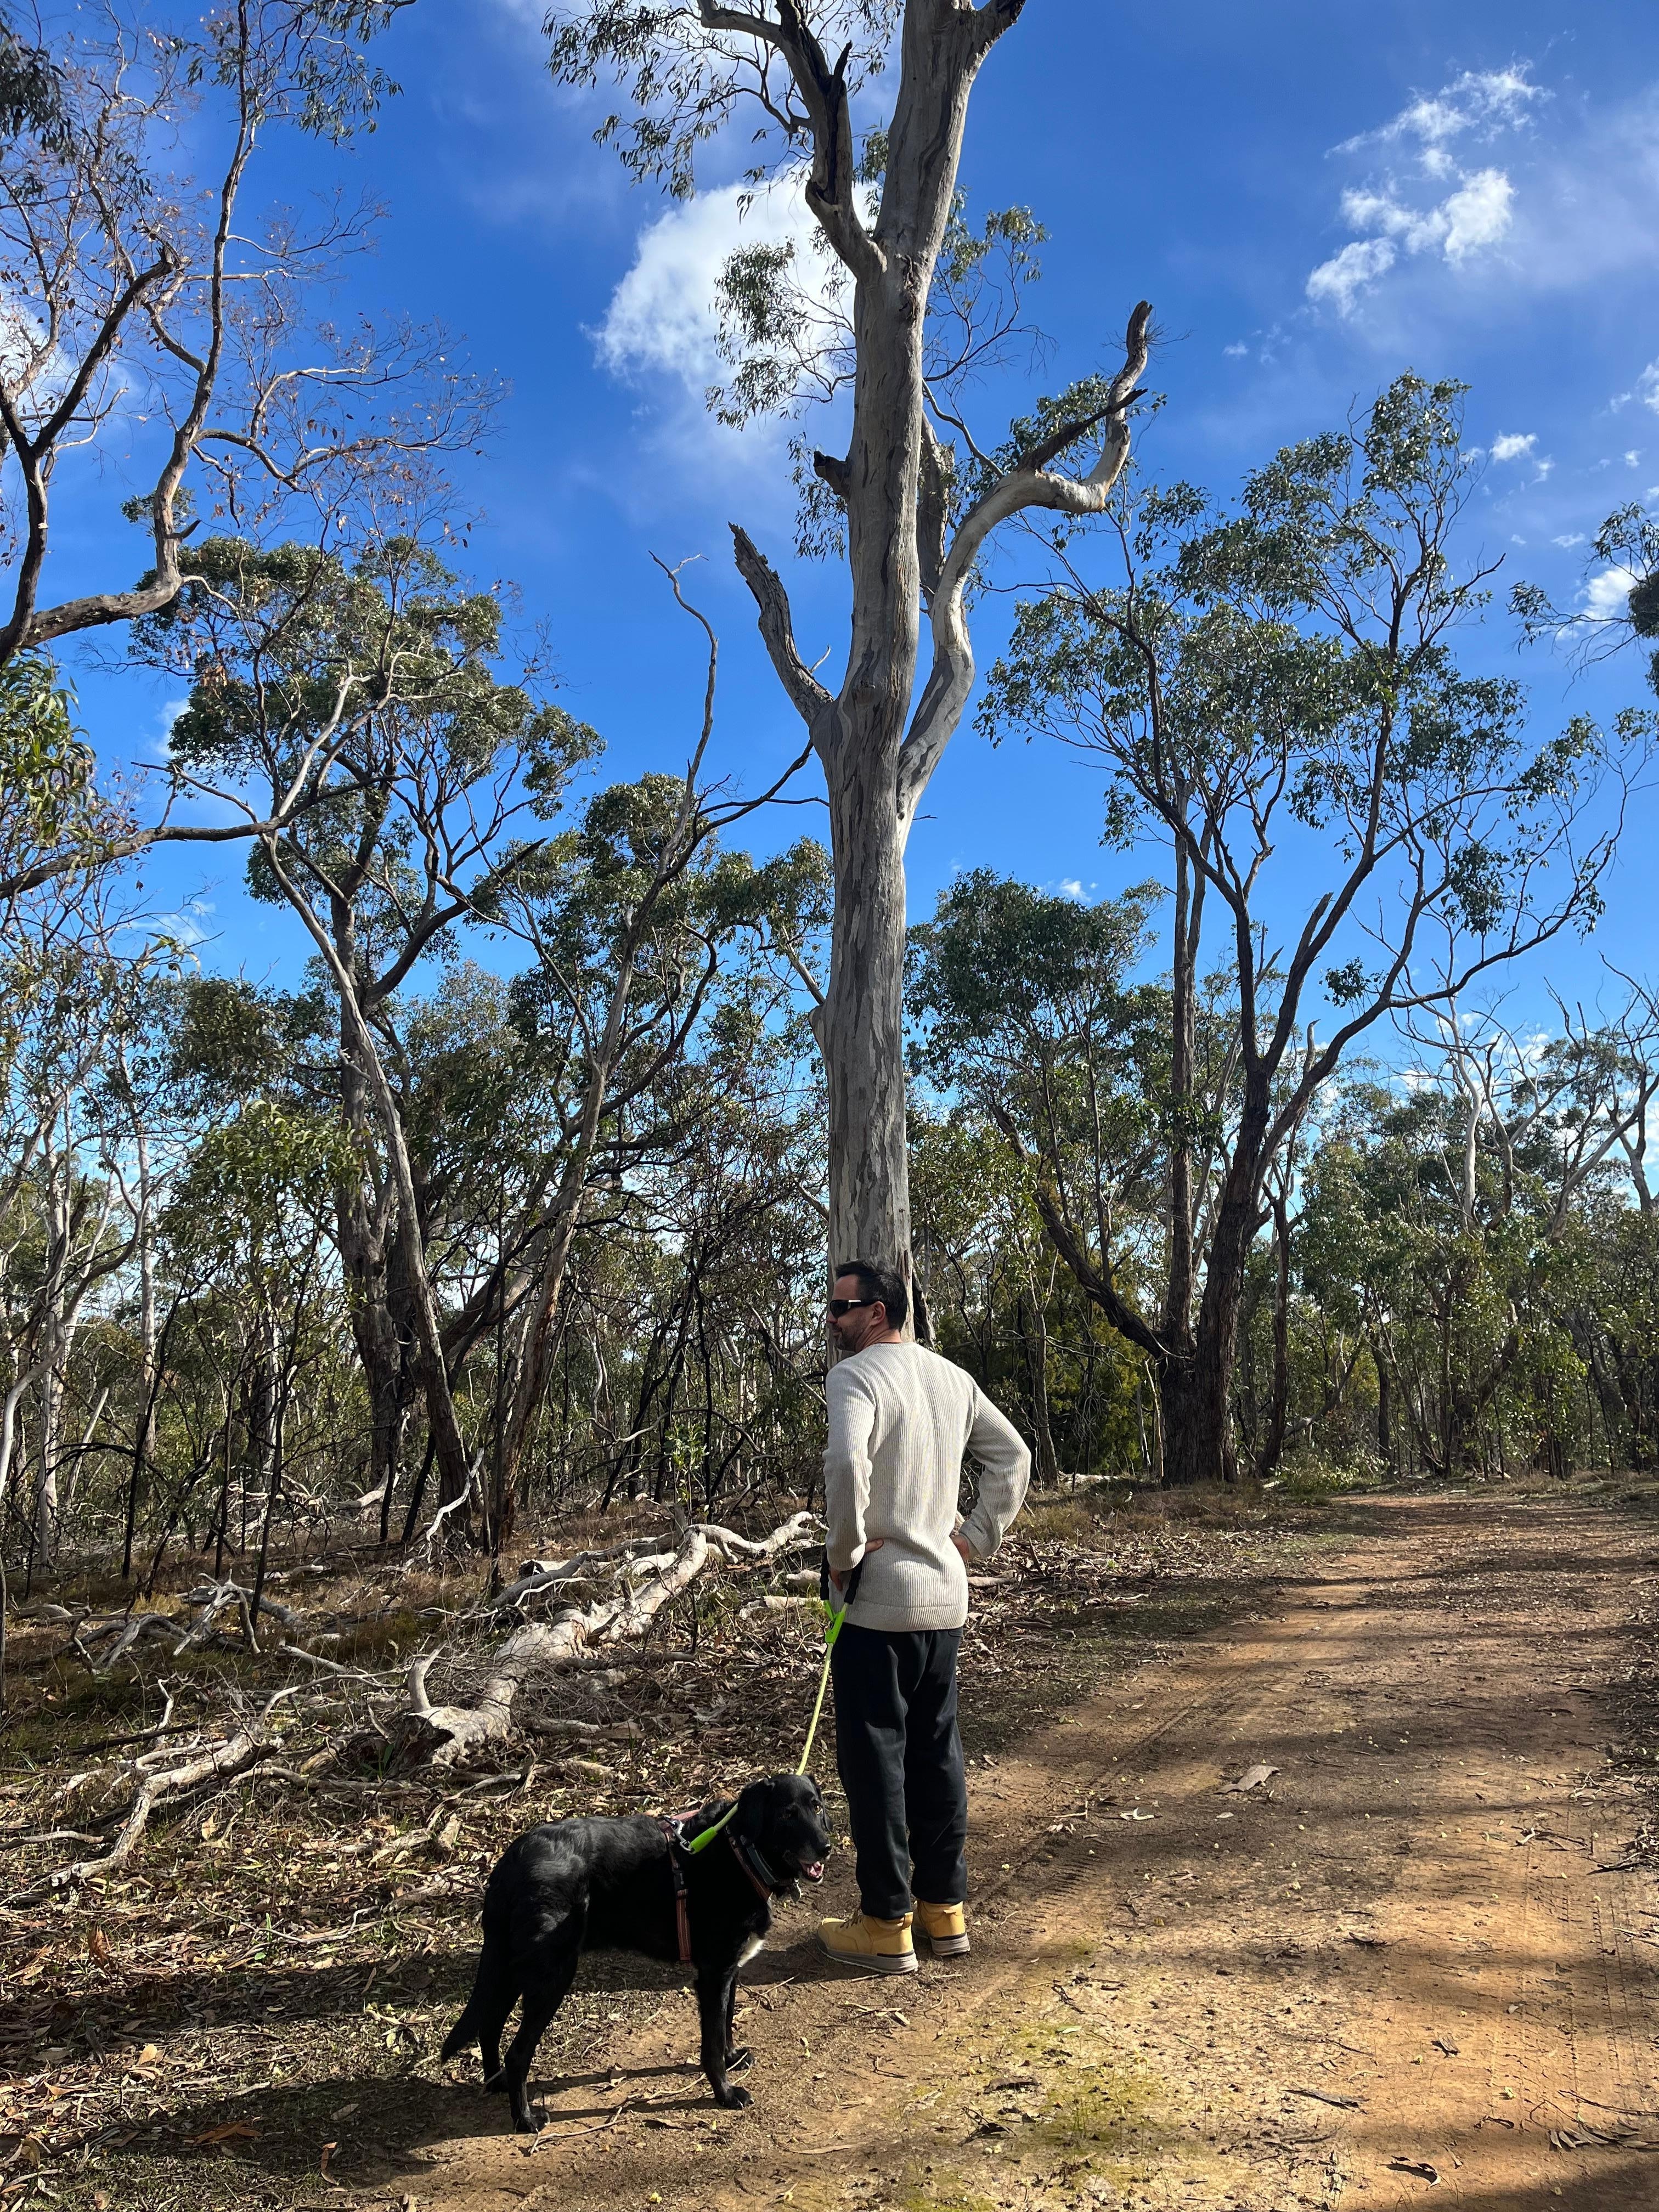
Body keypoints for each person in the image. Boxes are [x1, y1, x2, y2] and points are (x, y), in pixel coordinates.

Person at [816, 1260, 1031, 1975]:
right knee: (937, 1754)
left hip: (878, 1600)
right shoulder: (953, 1379)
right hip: (944, 1600)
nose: (833, 1320)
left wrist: (843, 1554)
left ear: (878, 1312)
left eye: (842, 1307)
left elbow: (847, 1464)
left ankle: (885, 1923)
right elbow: (1014, 1458)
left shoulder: (857, 1378)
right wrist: (973, 1539)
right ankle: (946, 1911)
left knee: (874, 1761)